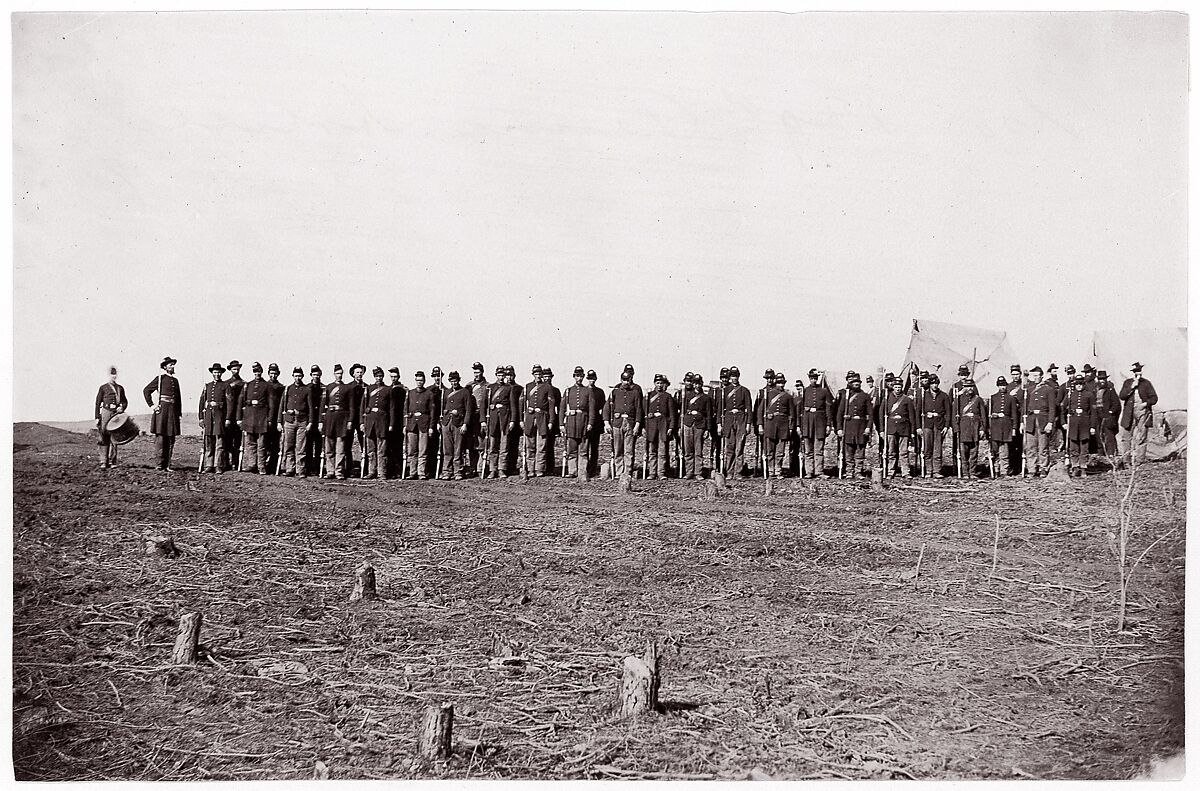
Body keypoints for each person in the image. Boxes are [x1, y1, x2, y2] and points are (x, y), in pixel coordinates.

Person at [143, 357, 181, 472]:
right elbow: (146, 390)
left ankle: (168, 465)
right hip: (162, 411)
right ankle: (159, 464)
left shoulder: (175, 381)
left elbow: (178, 399)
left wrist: (178, 413)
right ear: (165, 367)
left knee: (171, 438)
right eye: (170, 365)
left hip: (172, 412)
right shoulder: (160, 379)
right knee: (161, 438)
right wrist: (152, 405)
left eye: (173, 365)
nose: (172, 367)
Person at [604, 367, 644, 477]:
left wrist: (637, 425)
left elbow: (639, 410)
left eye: (628, 380)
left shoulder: (635, 393)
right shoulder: (615, 392)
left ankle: (627, 472)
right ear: (621, 380)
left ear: (631, 379)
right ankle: (618, 472)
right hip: (617, 423)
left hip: (630, 423)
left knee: (629, 450)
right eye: (624, 380)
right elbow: (607, 408)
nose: (626, 382)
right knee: (618, 449)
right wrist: (607, 423)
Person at [278, 366, 317, 477]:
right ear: (293, 376)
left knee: (301, 447)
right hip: (289, 421)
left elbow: (310, 408)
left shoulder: (306, 390)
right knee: (289, 446)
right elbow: (282, 406)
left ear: (303, 376)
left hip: (302, 421)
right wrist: (279, 422)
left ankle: (300, 470)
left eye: (299, 376)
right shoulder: (288, 389)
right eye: (296, 376)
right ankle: (290, 469)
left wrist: (310, 422)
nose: (298, 378)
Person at [1119, 362, 1159, 466]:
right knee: (1126, 436)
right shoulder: (1128, 383)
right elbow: (1122, 396)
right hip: (1129, 412)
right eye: (1136, 371)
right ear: (1133, 373)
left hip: (1142, 411)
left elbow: (1154, 398)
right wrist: (1132, 386)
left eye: (1139, 371)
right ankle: (1126, 460)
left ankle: (1140, 460)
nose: (1138, 373)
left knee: (1142, 436)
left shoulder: (1146, 383)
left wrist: (1146, 403)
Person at [321, 364, 356, 480]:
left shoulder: (347, 388)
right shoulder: (328, 387)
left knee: (340, 448)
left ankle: (339, 472)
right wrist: (321, 421)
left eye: (341, 374)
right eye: (337, 373)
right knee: (329, 447)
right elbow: (323, 405)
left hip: (342, 420)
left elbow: (351, 406)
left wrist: (350, 420)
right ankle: (330, 471)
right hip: (330, 419)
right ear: (334, 374)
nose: (339, 376)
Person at [798, 369, 835, 478]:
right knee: (808, 450)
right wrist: (800, 426)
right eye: (811, 378)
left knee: (819, 449)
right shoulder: (805, 391)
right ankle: (809, 471)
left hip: (820, 423)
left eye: (815, 378)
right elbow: (800, 410)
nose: (813, 380)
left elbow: (828, 409)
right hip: (807, 423)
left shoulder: (824, 391)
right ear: (809, 378)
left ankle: (819, 471)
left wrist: (828, 424)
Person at [1021, 366, 1058, 477]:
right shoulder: (1029, 389)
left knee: (1043, 447)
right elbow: (1025, 407)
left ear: (1042, 376)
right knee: (1030, 447)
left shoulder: (1048, 389)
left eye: (1037, 375)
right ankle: (1032, 469)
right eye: (1034, 376)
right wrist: (1022, 422)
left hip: (1043, 421)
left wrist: (1050, 422)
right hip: (1031, 421)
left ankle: (1043, 468)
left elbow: (1052, 408)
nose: (1036, 377)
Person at [236, 362, 272, 474]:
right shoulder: (248, 385)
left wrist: (269, 419)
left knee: (261, 445)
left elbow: (272, 404)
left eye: (259, 372)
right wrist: (239, 418)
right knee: (250, 443)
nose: (257, 374)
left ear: (262, 372)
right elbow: (240, 403)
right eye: (255, 372)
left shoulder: (267, 386)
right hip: (249, 418)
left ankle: (261, 466)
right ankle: (252, 464)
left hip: (262, 418)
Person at [757, 372, 794, 479]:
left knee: (780, 451)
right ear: (775, 382)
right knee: (770, 450)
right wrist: (760, 424)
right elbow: (760, 411)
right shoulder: (768, 394)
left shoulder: (788, 396)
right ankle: (770, 470)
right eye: (778, 383)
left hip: (783, 426)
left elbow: (791, 414)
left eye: (782, 383)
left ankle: (778, 470)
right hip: (770, 425)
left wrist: (791, 427)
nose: (780, 385)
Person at [438, 371, 474, 480]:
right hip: (446, 422)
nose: (454, 383)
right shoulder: (446, 392)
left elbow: (468, 410)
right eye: (452, 381)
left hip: (458, 423)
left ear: (459, 380)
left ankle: (458, 471)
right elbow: (441, 407)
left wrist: (465, 424)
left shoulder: (465, 392)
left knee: (458, 449)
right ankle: (447, 472)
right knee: (447, 449)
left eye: (456, 381)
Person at [485, 365, 520, 478]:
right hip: (493, 420)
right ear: (496, 375)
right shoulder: (490, 388)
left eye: (502, 375)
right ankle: (492, 469)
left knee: (504, 446)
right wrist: (483, 420)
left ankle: (502, 469)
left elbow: (513, 406)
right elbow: (483, 406)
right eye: (499, 375)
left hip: (505, 419)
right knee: (493, 446)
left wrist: (513, 420)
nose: (501, 377)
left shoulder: (509, 388)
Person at [835, 373, 872, 477]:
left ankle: (858, 471)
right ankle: (849, 471)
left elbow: (870, 414)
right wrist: (839, 428)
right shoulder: (846, 397)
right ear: (850, 384)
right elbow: (839, 414)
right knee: (849, 451)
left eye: (858, 382)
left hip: (861, 427)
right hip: (849, 427)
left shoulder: (865, 396)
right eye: (854, 383)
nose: (856, 384)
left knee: (860, 451)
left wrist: (868, 427)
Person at [879, 375, 917, 478]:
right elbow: (881, 415)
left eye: (899, 386)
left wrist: (912, 432)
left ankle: (905, 472)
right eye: (896, 386)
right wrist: (882, 430)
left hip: (904, 429)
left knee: (904, 452)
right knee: (891, 452)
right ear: (893, 387)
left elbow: (912, 417)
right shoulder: (886, 398)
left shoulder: (907, 400)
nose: (898, 388)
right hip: (891, 429)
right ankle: (891, 471)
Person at [914, 373, 951, 478]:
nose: (935, 385)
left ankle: (937, 471)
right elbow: (918, 412)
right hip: (927, 425)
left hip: (939, 425)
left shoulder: (944, 396)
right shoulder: (923, 396)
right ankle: (928, 471)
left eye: (936, 383)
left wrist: (946, 426)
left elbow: (948, 412)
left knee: (937, 449)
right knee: (927, 449)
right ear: (929, 384)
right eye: (932, 383)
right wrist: (918, 427)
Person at [1060, 373, 1097, 477]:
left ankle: (1083, 467)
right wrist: (1063, 423)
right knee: (1073, 447)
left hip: (1085, 423)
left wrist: (1093, 426)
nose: (1079, 386)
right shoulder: (1070, 395)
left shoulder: (1089, 395)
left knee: (1084, 447)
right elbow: (1062, 408)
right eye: (1077, 384)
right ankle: (1075, 466)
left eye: (1081, 384)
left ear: (1084, 384)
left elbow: (1093, 412)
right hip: (1073, 423)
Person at [558, 366, 592, 479]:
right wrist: (561, 424)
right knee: (571, 449)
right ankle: (572, 471)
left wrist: (590, 423)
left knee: (583, 450)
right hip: (571, 423)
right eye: (577, 376)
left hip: (583, 422)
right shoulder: (568, 391)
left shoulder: (587, 390)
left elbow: (591, 409)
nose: (579, 378)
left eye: (581, 376)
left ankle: (582, 471)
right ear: (574, 377)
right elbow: (562, 408)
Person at [720, 366, 754, 476]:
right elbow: (720, 409)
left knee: (739, 448)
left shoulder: (744, 391)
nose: (734, 378)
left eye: (736, 376)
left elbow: (749, 408)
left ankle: (738, 472)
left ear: (739, 376)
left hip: (741, 420)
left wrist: (748, 423)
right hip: (729, 420)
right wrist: (719, 424)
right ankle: (729, 472)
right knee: (730, 447)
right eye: (732, 376)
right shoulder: (724, 391)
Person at [404, 370, 438, 480]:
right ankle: (412, 472)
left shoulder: (429, 394)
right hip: (412, 424)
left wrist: (431, 427)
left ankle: (421, 472)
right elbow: (405, 410)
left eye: (421, 380)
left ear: (424, 381)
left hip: (424, 425)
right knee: (412, 450)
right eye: (418, 380)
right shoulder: (410, 393)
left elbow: (432, 412)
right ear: (415, 381)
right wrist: (405, 425)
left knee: (423, 450)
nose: (419, 382)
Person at [679, 372, 713, 480]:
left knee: (698, 450)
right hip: (688, 424)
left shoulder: (706, 398)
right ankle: (689, 472)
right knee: (688, 450)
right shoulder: (686, 396)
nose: (697, 385)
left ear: (702, 384)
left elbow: (708, 414)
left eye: (699, 383)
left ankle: (698, 472)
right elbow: (682, 411)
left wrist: (707, 429)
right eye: (695, 383)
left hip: (699, 425)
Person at [360, 366, 392, 479]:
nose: (379, 378)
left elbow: (391, 408)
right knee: (371, 449)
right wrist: (361, 422)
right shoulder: (369, 389)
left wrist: (391, 424)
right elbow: (362, 406)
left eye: (380, 376)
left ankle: (381, 472)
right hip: (370, 422)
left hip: (382, 422)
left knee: (382, 449)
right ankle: (371, 471)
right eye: (377, 376)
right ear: (374, 377)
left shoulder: (388, 390)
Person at [94, 365, 128, 469]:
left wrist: (122, 408)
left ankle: (113, 461)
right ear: (108, 375)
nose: (113, 376)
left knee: (114, 438)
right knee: (104, 435)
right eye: (111, 374)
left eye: (115, 374)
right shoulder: (103, 387)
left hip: (116, 414)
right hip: (106, 412)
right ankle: (103, 461)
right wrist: (97, 417)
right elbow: (97, 403)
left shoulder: (120, 388)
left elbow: (125, 401)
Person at [198, 362, 230, 474]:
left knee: (219, 443)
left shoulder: (225, 386)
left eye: (219, 372)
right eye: (215, 372)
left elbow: (229, 403)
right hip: (208, 417)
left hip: (219, 416)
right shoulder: (207, 386)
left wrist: (227, 418)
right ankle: (209, 465)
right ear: (212, 373)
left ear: (221, 373)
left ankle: (218, 465)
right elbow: (201, 403)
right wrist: (201, 418)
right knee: (209, 443)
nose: (217, 374)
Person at [953, 378, 987, 478]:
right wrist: (956, 429)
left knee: (974, 452)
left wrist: (982, 429)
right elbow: (954, 415)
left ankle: (972, 472)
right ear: (964, 388)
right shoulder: (958, 400)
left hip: (975, 428)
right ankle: (965, 472)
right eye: (967, 387)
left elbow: (983, 415)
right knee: (963, 453)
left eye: (971, 386)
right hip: (963, 429)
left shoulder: (978, 399)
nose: (970, 389)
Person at [643, 374, 675, 479]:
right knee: (652, 451)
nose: (659, 385)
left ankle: (661, 473)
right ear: (654, 383)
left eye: (661, 383)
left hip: (663, 426)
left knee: (662, 450)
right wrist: (644, 427)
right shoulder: (648, 396)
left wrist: (671, 427)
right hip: (651, 426)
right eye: (657, 383)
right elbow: (643, 412)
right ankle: (652, 473)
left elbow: (672, 413)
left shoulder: (667, 397)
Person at [987, 376, 1019, 477]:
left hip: (1006, 427)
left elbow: (1014, 414)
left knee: (1005, 451)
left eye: (1004, 385)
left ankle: (1004, 470)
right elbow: (989, 414)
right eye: (1001, 385)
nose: (1003, 387)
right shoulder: (993, 398)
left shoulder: (1011, 398)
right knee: (995, 451)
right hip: (995, 427)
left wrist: (1014, 428)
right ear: (997, 386)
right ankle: (996, 469)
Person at [1094, 371, 1122, 464]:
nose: (1102, 381)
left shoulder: (1110, 390)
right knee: (1099, 435)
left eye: (1103, 379)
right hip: (1098, 414)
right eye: (1100, 379)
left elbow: (1116, 404)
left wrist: (1110, 412)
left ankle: (1111, 454)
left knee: (1109, 435)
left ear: (1106, 379)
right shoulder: (1095, 390)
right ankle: (1101, 455)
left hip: (1107, 416)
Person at [466, 362, 488, 476]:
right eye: (474, 372)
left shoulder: (487, 386)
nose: (476, 375)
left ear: (482, 372)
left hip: (482, 416)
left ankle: (480, 467)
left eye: (478, 372)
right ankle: (472, 466)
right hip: (471, 417)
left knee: (481, 442)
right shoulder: (469, 386)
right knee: (471, 443)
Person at [222, 360, 245, 471]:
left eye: (237, 369)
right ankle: (226, 462)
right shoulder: (226, 383)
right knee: (226, 440)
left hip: (239, 415)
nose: (236, 371)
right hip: (228, 415)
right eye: (234, 369)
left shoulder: (244, 384)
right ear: (230, 370)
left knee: (237, 440)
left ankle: (235, 463)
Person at [386, 367, 407, 478]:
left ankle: (398, 470)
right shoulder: (388, 389)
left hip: (398, 422)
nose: (393, 378)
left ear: (399, 377)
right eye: (392, 377)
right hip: (388, 421)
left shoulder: (402, 389)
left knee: (397, 447)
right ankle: (389, 470)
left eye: (395, 376)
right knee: (388, 447)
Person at [264, 363, 285, 475]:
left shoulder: (281, 388)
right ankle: (264, 465)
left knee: (275, 444)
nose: (273, 375)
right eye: (271, 373)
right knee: (264, 443)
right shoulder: (264, 386)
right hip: (265, 419)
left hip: (277, 418)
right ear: (268, 374)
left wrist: (279, 420)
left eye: (275, 373)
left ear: (278, 374)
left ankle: (273, 465)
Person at [585, 369, 606, 477]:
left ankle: (593, 469)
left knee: (594, 447)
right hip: (585, 422)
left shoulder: (600, 392)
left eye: (593, 378)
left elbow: (603, 408)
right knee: (584, 446)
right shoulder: (584, 390)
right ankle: (584, 469)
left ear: (596, 379)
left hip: (596, 422)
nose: (591, 380)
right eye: (589, 378)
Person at [306, 365, 325, 476]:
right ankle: (308, 467)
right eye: (314, 374)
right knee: (308, 445)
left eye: (318, 374)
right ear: (311, 375)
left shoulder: (324, 388)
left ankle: (317, 468)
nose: (316, 376)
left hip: (319, 420)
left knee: (318, 445)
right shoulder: (307, 388)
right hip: (309, 420)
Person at [1006, 365, 1025, 473]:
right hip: (1012, 418)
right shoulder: (1008, 387)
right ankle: (1012, 466)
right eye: (1013, 374)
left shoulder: (1024, 386)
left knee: (1021, 443)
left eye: (1017, 374)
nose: (1015, 376)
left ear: (1020, 374)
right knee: (1011, 443)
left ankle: (1020, 466)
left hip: (1021, 416)